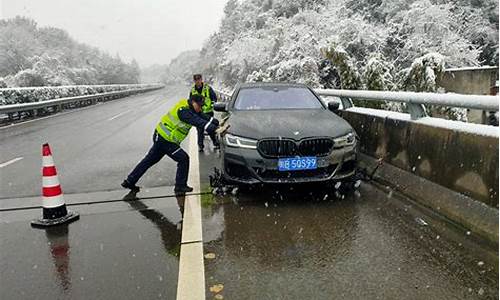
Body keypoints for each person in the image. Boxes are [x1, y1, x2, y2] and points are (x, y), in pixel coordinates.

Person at [121, 94, 218, 195]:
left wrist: (215, 122)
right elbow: (198, 121)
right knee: (183, 158)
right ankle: (180, 186)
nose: (201, 108)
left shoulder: (191, 108)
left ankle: (129, 181)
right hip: (165, 140)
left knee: (149, 160)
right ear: (193, 102)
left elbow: (202, 116)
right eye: (200, 105)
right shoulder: (183, 111)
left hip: (162, 137)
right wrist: (215, 129)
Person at [189, 73, 220, 152]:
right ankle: (200, 146)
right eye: (196, 80)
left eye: (199, 79)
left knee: (210, 129)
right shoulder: (192, 90)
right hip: (198, 113)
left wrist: (213, 105)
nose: (197, 81)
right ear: (194, 81)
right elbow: (190, 101)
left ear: (201, 79)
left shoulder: (207, 88)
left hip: (208, 112)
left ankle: (215, 143)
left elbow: (214, 98)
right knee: (199, 129)